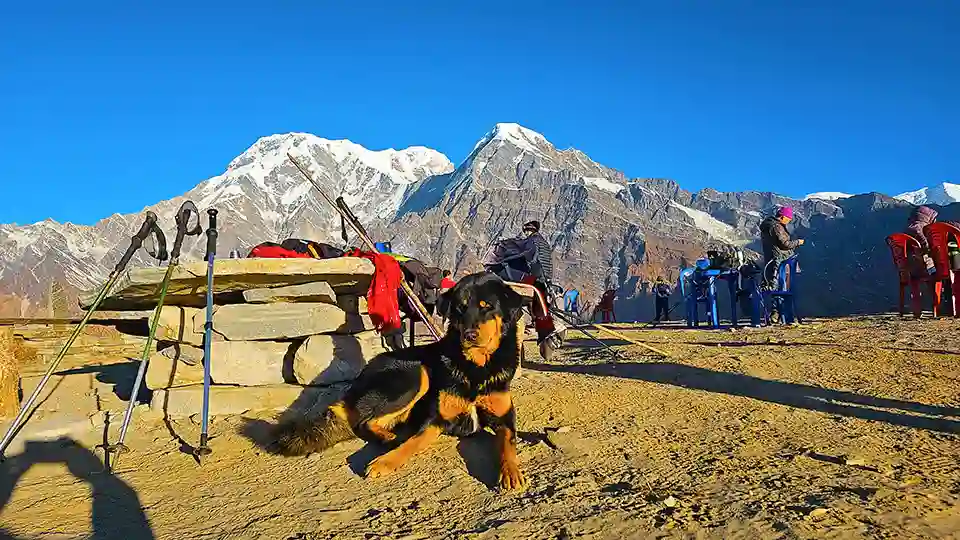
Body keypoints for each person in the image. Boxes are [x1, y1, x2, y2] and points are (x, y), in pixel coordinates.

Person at [759, 206, 805, 286]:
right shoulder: (777, 227)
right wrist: (798, 242)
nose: (789, 221)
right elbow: (785, 244)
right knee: (781, 280)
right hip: (780, 257)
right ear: (783, 217)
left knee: (771, 280)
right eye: (788, 219)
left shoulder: (768, 225)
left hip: (771, 257)